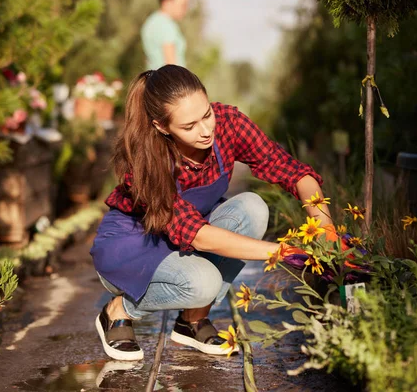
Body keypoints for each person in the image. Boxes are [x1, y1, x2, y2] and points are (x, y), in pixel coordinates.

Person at [90, 65, 332, 361]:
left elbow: (291, 171)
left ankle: (192, 321)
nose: (206, 130)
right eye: (189, 126)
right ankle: (118, 310)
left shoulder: (228, 123)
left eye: (206, 115)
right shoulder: (144, 160)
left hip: (183, 237)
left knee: (252, 208)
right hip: (134, 245)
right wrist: (286, 252)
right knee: (202, 283)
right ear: (162, 126)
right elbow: (198, 236)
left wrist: (324, 225)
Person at [140, 0, 189, 70]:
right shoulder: (166, 25)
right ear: (167, 2)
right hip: (169, 80)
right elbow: (171, 65)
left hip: (156, 79)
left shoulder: (152, 21)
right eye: (182, 5)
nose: (185, 10)